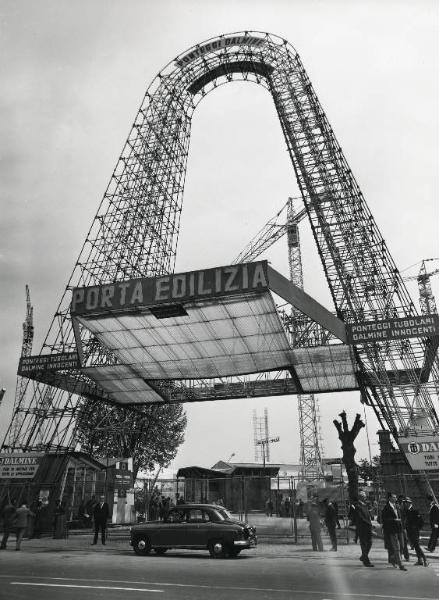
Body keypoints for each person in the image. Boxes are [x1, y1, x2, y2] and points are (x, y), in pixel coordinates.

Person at [381, 492, 407, 571]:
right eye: (394, 497)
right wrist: (394, 520)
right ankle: (401, 565)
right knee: (397, 548)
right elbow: (384, 520)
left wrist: (403, 527)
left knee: (402, 546)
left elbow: (401, 517)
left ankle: (392, 558)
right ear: (389, 498)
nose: (396, 498)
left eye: (395, 497)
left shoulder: (397, 506)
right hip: (392, 530)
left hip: (399, 529)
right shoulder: (386, 508)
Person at [404, 497, 428, 567]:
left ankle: (424, 559)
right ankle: (419, 560)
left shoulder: (415, 511)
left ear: (410, 503)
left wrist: (416, 528)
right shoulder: (407, 511)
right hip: (409, 532)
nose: (405, 504)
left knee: (417, 546)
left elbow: (421, 522)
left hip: (414, 532)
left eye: (407, 502)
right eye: (405, 502)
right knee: (415, 546)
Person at [355, 491, 374, 567]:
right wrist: (369, 524)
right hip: (362, 528)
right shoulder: (358, 506)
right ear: (360, 497)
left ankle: (363, 556)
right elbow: (360, 518)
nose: (365, 497)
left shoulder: (365, 505)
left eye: (365, 496)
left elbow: (368, 516)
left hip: (367, 527)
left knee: (369, 542)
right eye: (364, 496)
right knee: (364, 544)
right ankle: (366, 561)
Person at [397, 494, 410, 561]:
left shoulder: (405, 507)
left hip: (403, 527)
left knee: (404, 542)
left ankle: (406, 556)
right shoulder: (396, 506)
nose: (401, 501)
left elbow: (406, 517)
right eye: (400, 500)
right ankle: (400, 555)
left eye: (402, 500)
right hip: (398, 526)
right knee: (399, 543)